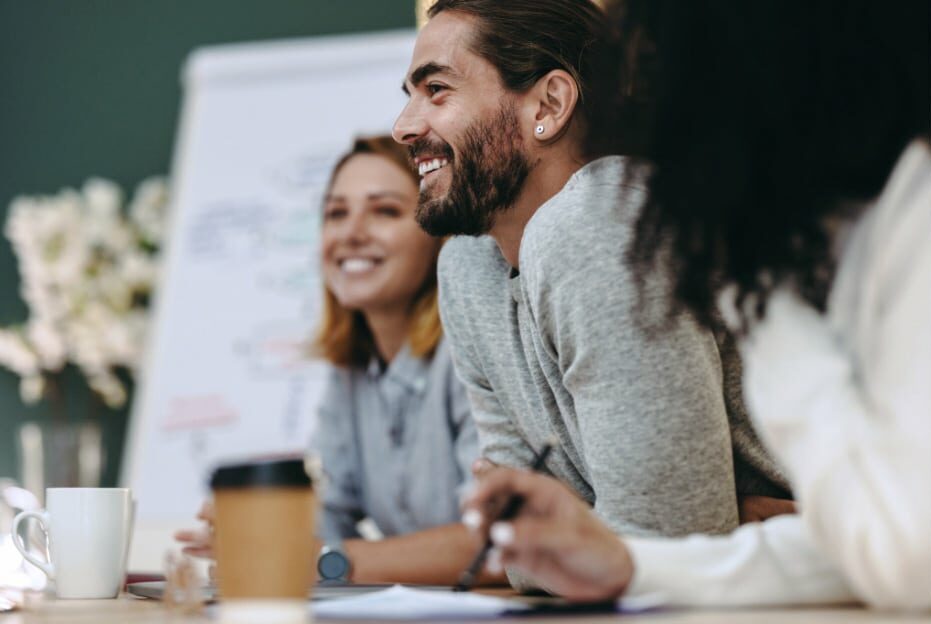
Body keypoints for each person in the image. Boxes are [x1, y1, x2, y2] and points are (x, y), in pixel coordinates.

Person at [462, 0, 931, 610]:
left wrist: (769, 306)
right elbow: (873, 542)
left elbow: (904, 554)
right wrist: (630, 563)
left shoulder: (909, 210)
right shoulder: (842, 225)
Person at [392, 0, 790, 587]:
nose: (403, 125)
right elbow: (519, 548)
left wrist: (607, 537)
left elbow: (667, 547)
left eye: (438, 90)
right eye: (410, 93)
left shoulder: (601, 222)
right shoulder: (467, 267)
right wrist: (720, 525)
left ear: (548, 105)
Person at [177, 136, 501, 586]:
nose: (350, 233)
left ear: (439, 234)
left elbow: (498, 541)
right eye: (336, 213)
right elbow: (327, 515)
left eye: (385, 211)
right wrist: (267, 529)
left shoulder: (476, 350)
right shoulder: (353, 371)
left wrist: (327, 560)